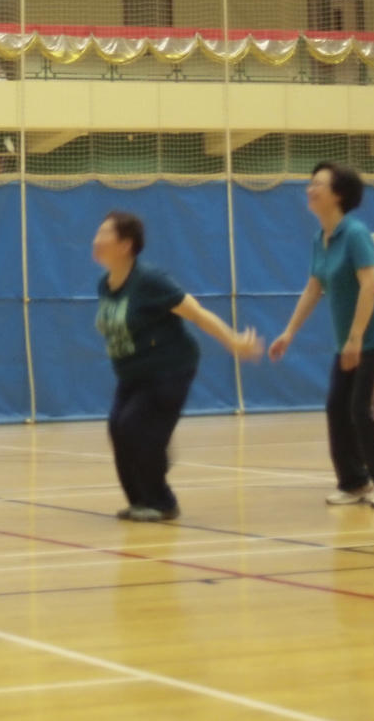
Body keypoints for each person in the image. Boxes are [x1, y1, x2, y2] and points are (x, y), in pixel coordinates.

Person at [93, 210, 262, 522]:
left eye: (105, 234)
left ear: (126, 244)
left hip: (168, 369)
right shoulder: (105, 284)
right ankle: (139, 500)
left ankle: (162, 503)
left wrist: (233, 340)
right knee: (118, 428)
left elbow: (195, 313)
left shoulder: (149, 281)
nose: (97, 240)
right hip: (131, 374)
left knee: (135, 427)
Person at [269, 162, 374, 509]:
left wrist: (356, 337)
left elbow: (370, 286)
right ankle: (354, 482)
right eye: (310, 183)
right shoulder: (321, 238)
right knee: (337, 409)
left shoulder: (355, 233)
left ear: (339, 194)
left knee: (365, 410)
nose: (310, 189)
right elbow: (314, 288)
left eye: (318, 184)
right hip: (348, 342)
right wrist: (288, 332)